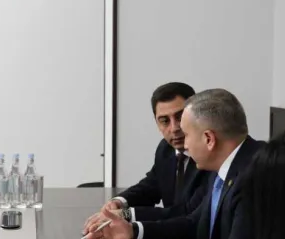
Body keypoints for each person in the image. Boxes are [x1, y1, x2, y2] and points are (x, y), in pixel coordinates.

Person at [86, 89, 262, 239]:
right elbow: (194, 222)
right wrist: (132, 230)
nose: (184, 143)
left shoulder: (254, 176)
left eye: (187, 135)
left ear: (208, 139)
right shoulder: (226, 165)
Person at [84, 82, 210, 231]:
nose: (174, 128)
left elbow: (187, 212)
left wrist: (126, 214)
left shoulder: (209, 154)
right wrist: (119, 202)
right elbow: (151, 186)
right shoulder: (165, 149)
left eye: (180, 117)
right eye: (164, 121)